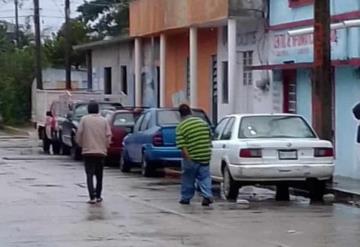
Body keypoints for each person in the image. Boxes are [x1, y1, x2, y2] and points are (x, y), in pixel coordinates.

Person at [176, 104, 214, 206]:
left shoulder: (181, 127)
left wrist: (187, 157)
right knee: (205, 177)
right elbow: (210, 136)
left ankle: (186, 198)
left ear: (180, 114)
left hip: (191, 157)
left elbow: (182, 145)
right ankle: (207, 195)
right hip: (205, 154)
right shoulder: (202, 123)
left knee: (188, 178)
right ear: (191, 112)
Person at [75, 101, 112, 204]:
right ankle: (99, 195)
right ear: (98, 109)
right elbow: (108, 135)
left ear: (88, 109)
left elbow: (79, 133)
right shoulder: (104, 121)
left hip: (88, 151)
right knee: (99, 175)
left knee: (89, 174)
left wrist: (81, 144)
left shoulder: (84, 120)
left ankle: (92, 197)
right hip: (101, 152)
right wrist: (106, 146)